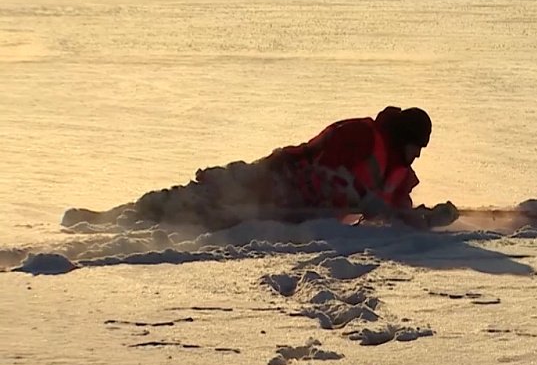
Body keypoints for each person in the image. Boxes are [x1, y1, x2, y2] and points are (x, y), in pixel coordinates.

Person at [62, 106, 458, 231]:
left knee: (209, 219)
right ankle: (108, 219)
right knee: (202, 198)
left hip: (289, 206)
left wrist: (425, 217)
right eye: (416, 146)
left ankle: (128, 220)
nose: (418, 156)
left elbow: (393, 206)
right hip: (275, 180)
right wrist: (364, 201)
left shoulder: (393, 166)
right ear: (402, 135)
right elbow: (328, 173)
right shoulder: (361, 134)